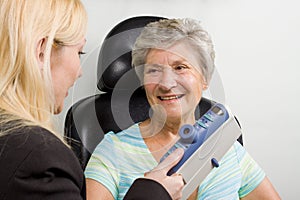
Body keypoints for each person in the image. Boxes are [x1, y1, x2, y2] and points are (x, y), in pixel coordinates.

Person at [0, 1, 184, 199]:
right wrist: (154, 193)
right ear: (42, 51)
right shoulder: (40, 157)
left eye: (181, 68)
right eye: (79, 52)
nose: (80, 71)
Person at [84, 18, 281, 200]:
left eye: (180, 67)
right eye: (153, 70)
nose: (166, 83)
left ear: (205, 79)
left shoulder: (228, 147)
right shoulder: (112, 153)